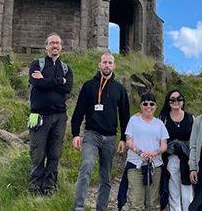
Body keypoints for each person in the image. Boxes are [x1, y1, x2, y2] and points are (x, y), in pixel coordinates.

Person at [70, 52, 130, 211]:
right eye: (104, 62)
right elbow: (78, 112)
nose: (107, 65)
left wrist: (124, 138)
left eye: (110, 63)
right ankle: (79, 206)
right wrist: (76, 134)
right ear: (99, 64)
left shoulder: (120, 89)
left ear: (114, 66)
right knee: (87, 165)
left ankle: (101, 208)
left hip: (110, 138)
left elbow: (125, 116)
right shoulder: (89, 85)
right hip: (91, 135)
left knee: (106, 177)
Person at [27, 33, 73, 195]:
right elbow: (37, 83)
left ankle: (49, 186)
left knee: (55, 153)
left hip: (59, 117)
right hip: (38, 116)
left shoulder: (66, 68)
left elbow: (68, 89)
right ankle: (34, 187)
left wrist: (47, 81)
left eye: (58, 43)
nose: (55, 46)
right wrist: (59, 81)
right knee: (37, 153)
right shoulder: (36, 64)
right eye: (52, 43)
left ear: (61, 47)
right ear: (46, 46)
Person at [124, 93, 169, 210]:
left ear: (156, 106)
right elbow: (128, 141)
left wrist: (155, 153)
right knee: (136, 202)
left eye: (151, 104)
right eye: (145, 103)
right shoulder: (133, 120)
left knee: (152, 203)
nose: (148, 106)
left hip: (155, 165)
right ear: (141, 105)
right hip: (135, 164)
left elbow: (164, 145)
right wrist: (140, 153)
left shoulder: (159, 123)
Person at [159, 89, 194, 211]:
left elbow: (194, 141)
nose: (176, 102)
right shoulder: (163, 119)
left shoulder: (190, 118)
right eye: (172, 99)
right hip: (171, 158)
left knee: (187, 194)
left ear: (183, 101)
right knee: (173, 194)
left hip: (187, 159)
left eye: (179, 99)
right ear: (168, 102)